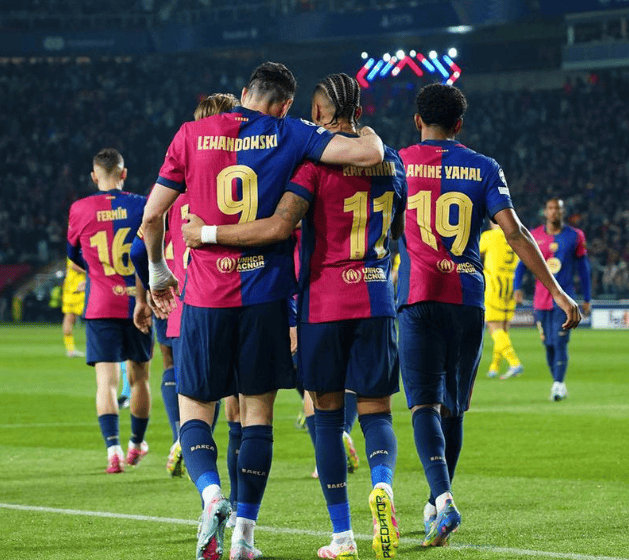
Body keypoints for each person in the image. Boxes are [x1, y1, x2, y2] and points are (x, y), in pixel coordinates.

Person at [142, 62, 385, 560]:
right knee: (257, 415)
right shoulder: (291, 132)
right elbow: (369, 153)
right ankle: (243, 539)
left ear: (244, 92)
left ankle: (212, 494)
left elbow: (151, 216)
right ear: (286, 104)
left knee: (196, 409)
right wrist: (366, 129)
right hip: (265, 297)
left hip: (205, 298)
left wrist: (158, 272)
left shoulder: (189, 134)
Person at [396, 84, 581, 547]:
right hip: (466, 299)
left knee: (423, 403)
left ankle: (442, 499)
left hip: (418, 294)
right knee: (455, 406)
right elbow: (515, 232)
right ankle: (437, 504)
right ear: (459, 124)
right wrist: (558, 292)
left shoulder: (398, 162)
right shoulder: (484, 167)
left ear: (417, 121)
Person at [133, 93, 239, 480]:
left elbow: (139, 244)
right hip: (229, 291)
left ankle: (184, 436)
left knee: (175, 368)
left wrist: (150, 286)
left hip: (175, 296)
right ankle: (240, 501)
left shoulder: (174, 184)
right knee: (234, 389)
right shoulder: (242, 182)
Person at [67, 148, 153, 474]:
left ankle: (112, 451)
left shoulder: (80, 209)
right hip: (137, 303)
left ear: (94, 176)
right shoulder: (141, 204)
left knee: (106, 382)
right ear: (123, 173)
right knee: (139, 378)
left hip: (100, 304)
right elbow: (152, 247)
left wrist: (98, 271)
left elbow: (73, 254)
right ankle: (136, 444)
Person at [514, 197, 591, 400]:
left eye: (557, 208)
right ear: (545, 212)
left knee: (560, 341)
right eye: (550, 208)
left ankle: (557, 384)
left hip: (564, 300)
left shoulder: (575, 236)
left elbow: (583, 268)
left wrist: (587, 298)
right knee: (548, 344)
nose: (554, 211)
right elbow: (522, 264)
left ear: (563, 212)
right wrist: (517, 287)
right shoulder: (534, 235)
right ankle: (559, 384)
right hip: (541, 300)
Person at [479, 221, 523, 379]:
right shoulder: (517, 236)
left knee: (494, 327)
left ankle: (514, 362)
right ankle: (495, 366)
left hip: (494, 286)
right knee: (503, 330)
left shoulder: (489, 236)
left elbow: (475, 253)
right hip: (511, 287)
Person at [61, 258, 86, 357]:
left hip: (77, 290)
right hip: (74, 291)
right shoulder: (76, 250)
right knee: (69, 319)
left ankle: (70, 350)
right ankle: (70, 350)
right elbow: (74, 266)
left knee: (71, 319)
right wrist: (92, 271)